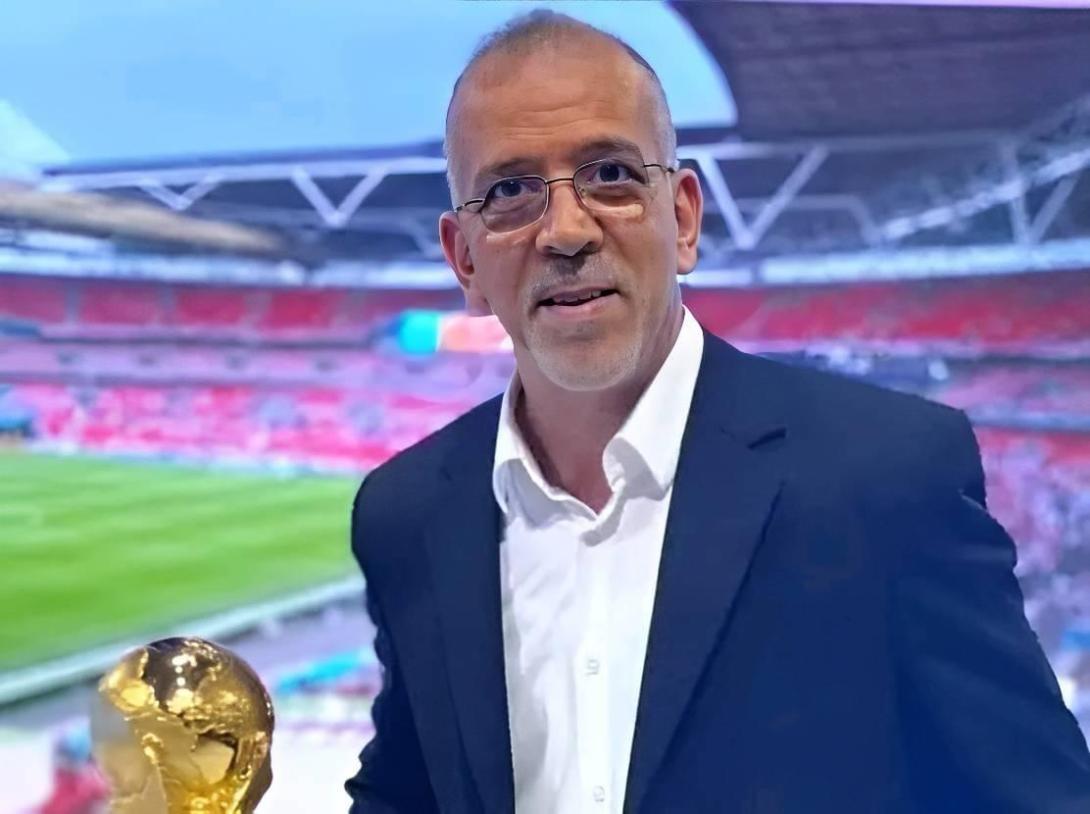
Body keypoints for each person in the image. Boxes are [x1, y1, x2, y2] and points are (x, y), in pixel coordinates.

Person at [346, 11, 1090, 814]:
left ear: (684, 217)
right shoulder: (406, 515)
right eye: (510, 192)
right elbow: (409, 793)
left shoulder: (886, 477)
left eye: (610, 175)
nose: (565, 231)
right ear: (464, 258)